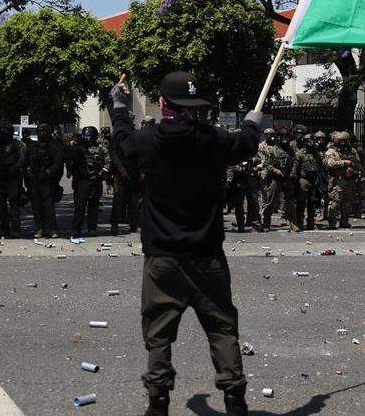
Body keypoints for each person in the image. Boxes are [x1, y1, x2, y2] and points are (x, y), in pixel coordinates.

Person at [110, 71, 262, 416]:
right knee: (222, 328)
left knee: (159, 333)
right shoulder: (213, 140)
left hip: (162, 256)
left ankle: (158, 401)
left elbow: (121, 144)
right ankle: (235, 400)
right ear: (194, 107)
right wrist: (253, 124)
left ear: (162, 103)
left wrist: (119, 107)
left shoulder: (147, 141)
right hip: (207, 254)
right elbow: (246, 143)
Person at [0, 122, 26, 236]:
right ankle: (4, 228)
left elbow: (21, 159)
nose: (3, 133)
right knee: (1, 204)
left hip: (12, 178)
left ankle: (16, 228)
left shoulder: (17, 144)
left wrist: (13, 169)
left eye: (6, 130)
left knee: (14, 203)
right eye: (2, 130)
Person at [71, 126, 110, 235]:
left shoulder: (101, 148)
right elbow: (74, 165)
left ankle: (92, 228)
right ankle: (76, 228)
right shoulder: (79, 149)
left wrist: (101, 174)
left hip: (96, 180)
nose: (87, 138)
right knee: (80, 206)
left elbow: (107, 162)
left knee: (94, 206)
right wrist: (75, 180)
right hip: (83, 181)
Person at [27, 123, 63, 238]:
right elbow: (27, 161)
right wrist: (28, 170)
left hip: (48, 181)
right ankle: (40, 228)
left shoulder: (53, 147)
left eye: (42, 131)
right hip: (35, 180)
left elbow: (58, 163)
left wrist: (49, 172)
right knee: (36, 207)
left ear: (48, 133)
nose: (39, 134)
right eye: (38, 131)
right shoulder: (33, 147)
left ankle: (52, 229)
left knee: (48, 207)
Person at [324, 131, 361, 229]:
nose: (343, 143)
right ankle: (332, 223)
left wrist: (355, 170)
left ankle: (344, 221)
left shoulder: (352, 151)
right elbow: (330, 164)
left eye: (345, 141)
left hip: (349, 179)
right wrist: (344, 162)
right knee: (335, 202)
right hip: (337, 180)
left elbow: (357, 163)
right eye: (341, 141)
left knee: (347, 203)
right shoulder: (331, 151)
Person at [256, 128, 290, 231]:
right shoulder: (269, 148)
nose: (269, 136)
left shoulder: (289, 149)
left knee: (289, 200)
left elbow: (294, 162)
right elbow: (265, 162)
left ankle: (289, 220)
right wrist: (275, 170)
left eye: (271, 134)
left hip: (286, 176)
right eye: (267, 134)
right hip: (271, 175)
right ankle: (266, 222)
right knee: (268, 199)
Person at [291, 132, 322, 231]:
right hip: (303, 181)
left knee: (312, 203)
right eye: (308, 141)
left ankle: (311, 223)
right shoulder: (300, 153)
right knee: (301, 203)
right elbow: (295, 168)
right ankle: (299, 222)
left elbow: (320, 167)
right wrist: (295, 180)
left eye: (312, 140)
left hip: (314, 181)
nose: (311, 143)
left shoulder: (316, 153)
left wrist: (320, 179)